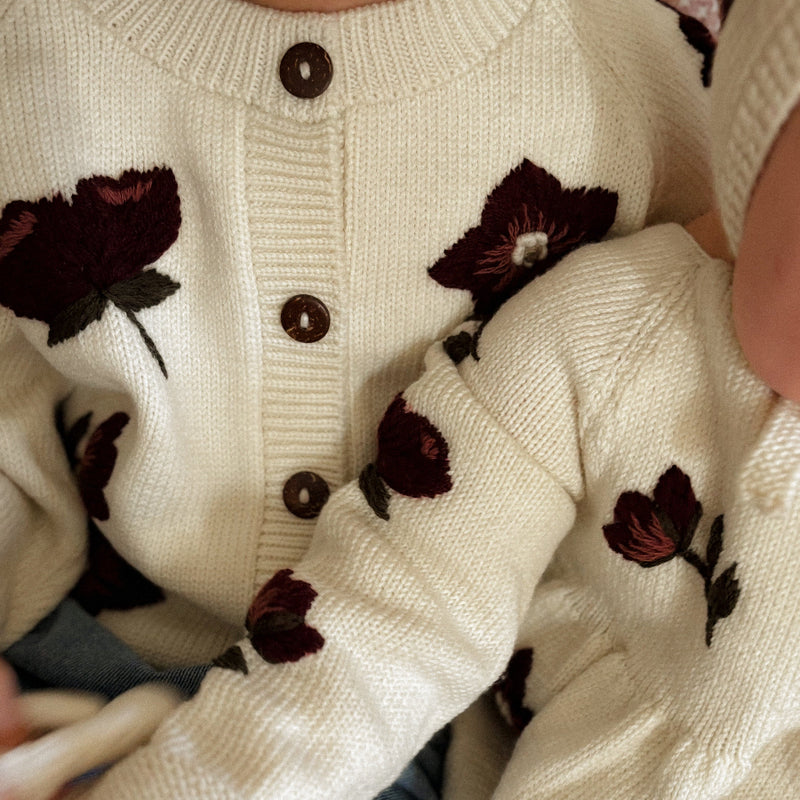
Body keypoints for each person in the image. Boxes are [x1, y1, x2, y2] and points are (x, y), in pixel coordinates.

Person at [0, 0, 717, 796]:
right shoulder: (29, 47)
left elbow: (685, 387)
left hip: (435, 719)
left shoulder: (640, 63)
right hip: (82, 666)